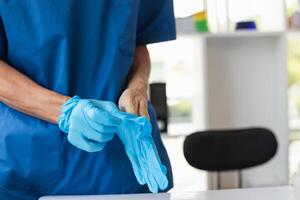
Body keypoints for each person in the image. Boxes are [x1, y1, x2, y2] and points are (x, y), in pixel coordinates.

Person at [0, 1, 176, 199]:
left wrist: (137, 88)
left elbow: (138, 41)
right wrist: (65, 111)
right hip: (29, 156)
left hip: (122, 158)